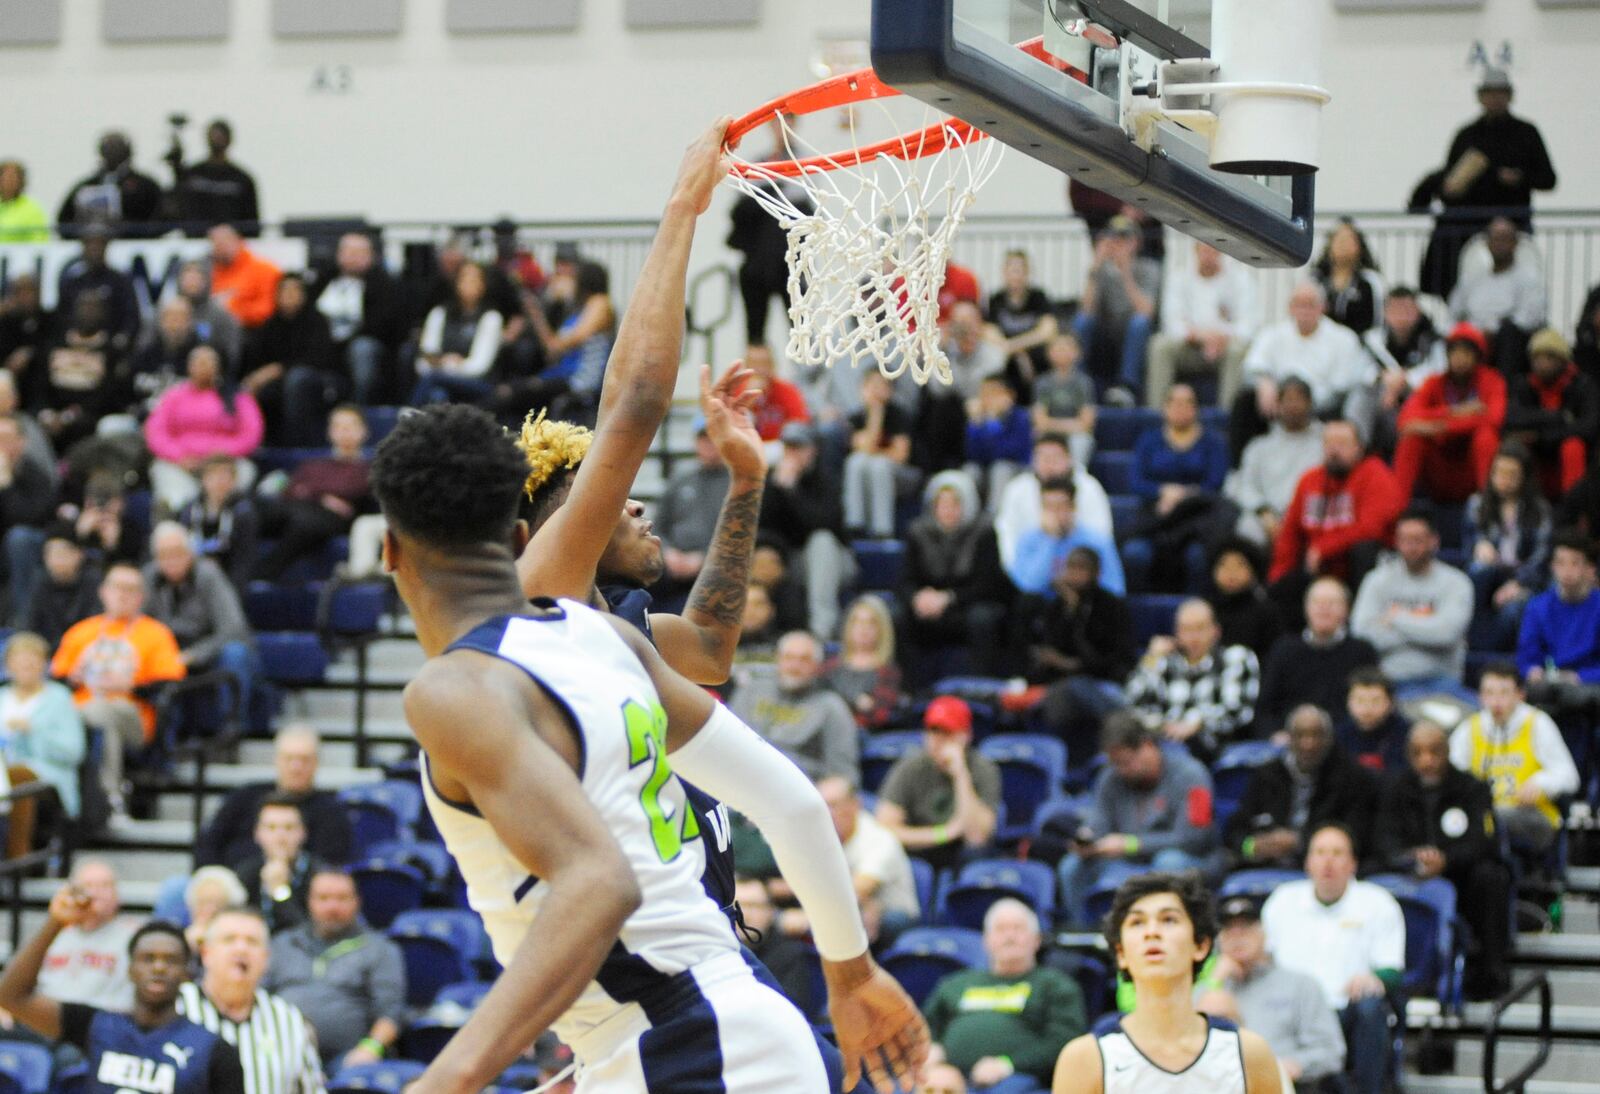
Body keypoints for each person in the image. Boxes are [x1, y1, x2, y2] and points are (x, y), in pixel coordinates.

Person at [369, 399, 926, 1093]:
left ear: (389, 550)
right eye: (607, 501)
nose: (631, 506)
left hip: (690, 1037)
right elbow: (792, 803)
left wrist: (446, 1081)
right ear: (524, 539)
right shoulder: (605, 641)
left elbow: (601, 882)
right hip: (702, 1024)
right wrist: (851, 970)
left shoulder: (489, 677)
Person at [1052, 872, 1283, 1094]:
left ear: (1201, 946)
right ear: (1121, 953)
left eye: (1169, 920)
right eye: (1137, 922)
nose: (1152, 932)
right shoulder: (1085, 1058)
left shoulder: (1249, 1053)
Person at [0, 894, 246, 1094]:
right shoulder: (96, 1025)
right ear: (129, 969)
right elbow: (11, 996)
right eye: (148, 958)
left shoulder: (215, 1051)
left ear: (187, 973)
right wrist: (55, 923)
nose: (158, 967)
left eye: (170, 960)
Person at [1373, 720, 1513, 999]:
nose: (1427, 761)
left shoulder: (1472, 788)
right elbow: (1382, 839)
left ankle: (1489, 973)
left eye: (1434, 752)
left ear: (1447, 751)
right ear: (1408, 755)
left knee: (1492, 876)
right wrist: (1409, 858)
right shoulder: (1393, 788)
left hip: (1459, 875)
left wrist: (1446, 860)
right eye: (1418, 753)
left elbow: (1485, 842)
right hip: (1407, 874)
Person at [1261, 824, 1404, 1094]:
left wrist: (1374, 978)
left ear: (1352, 864)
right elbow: (1264, 960)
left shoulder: (1378, 903)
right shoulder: (1282, 901)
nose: (1328, 861)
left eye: (1337, 853)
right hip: (1291, 1012)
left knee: (1371, 1006)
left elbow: (1393, 970)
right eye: (1320, 852)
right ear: (1307, 863)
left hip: (1345, 1011)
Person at [51, 564, 187, 817]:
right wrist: (74, 680)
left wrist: (131, 686)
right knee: (101, 723)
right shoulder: (81, 632)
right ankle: (108, 800)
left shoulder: (156, 634)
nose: (122, 595)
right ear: (103, 592)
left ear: (141, 597)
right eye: (116, 587)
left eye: (130, 589)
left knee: (102, 712)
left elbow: (170, 685)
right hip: (84, 710)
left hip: (134, 715)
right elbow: (57, 678)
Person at [1056, 715, 1218, 926]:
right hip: (1129, 860)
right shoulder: (1110, 777)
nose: (1122, 770)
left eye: (1127, 762)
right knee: (1072, 866)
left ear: (1147, 746)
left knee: (1170, 862)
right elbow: (1099, 822)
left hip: (1194, 859)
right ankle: (1082, 938)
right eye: (1116, 764)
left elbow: (1194, 838)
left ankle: (1170, 931)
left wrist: (1131, 844)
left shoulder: (1192, 775)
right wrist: (1088, 840)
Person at [923, 900, 1086, 1093]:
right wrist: (931, 1051)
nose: (1009, 936)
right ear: (986, 940)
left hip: (1019, 1080)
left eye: (1018, 929)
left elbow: (1065, 1042)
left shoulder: (1055, 985)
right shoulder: (955, 984)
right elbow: (924, 1027)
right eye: (1000, 929)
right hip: (949, 1078)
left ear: (1036, 940)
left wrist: (1008, 1064)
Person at [1198, 895, 1346, 1093]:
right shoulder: (1203, 991)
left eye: (1246, 928)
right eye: (1229, 930)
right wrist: (1215, 982)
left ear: (1264, 933)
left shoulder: (1300, 985)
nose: (1237, 937)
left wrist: (1293, 1065)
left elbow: (1331, 1052)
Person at [265, 868, 406, 1068]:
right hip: (281, 1054)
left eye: (342, 898)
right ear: (309, 901)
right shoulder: (282, 944)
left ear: (357, 902)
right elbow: (256, 998)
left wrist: (370, 1049)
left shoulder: (379, 949)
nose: (332, 906)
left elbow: (390, 1014)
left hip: (349, 1059)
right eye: (323, 898)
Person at [175, 907, 325, 1094]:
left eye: (252, 942)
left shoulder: (289, 1020)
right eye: (229, 939)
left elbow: (313, 1089)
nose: (241, 949)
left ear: (266, 958)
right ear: (206, 953)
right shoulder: (175, 1006)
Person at [1235, 283, 1375, 461]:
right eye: (1299, 305)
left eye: (1311, 304)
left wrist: (1302, 403)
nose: (1304, 311)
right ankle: (1238, 466)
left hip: (1323, 408)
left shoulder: (1343, 338)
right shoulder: (1272, 334)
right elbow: (1252, 367)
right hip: (1277, 405)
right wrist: (1264, 382)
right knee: (1245, 399)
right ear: (1290, 308)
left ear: (1323, 307)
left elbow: (1342, 387)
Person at [1226, 705, 1377, 870]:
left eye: (1316, 735)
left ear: (1329, 739)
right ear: (1289, 738)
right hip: (1267, 864)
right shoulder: (1266, 775)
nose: (1308, 744)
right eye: (1300, 735)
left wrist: (1300, 842)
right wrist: (1252, 846)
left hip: (1326, 868)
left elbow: (1356, 835)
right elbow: (1234, 831)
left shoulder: (1350, 778)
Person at [1451, 662, 1579, 858]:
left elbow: (1569, 777)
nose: (1496, 701)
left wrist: (1541, 783)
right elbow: (1450, 774)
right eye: (1489, 693)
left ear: (1520, 695)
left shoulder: (1537, 723)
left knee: (1494, 819)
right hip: (1482, 815)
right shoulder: (1469, 729)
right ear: (1480, 696)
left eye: (1504, 693)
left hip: (1531, 815)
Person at [1266, 420, 1404, 599]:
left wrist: (1324, 547)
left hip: (1358, 567)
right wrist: (1277, 579)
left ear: (1359, 448)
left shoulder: (1376, 474)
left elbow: (1371, 529)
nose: (1334, 450)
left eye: (1342, 444)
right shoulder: (1309, 480)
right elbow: (1291, 534)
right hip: (1318, 568)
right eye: (1329, 443)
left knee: (1364, 549)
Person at [1021, 546, 1137, 753]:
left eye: (1081, 569)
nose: (1074, 575)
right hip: (1058, 683)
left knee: (1073, 688)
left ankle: (1119, 739)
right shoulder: (1056, 606)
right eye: (1070, 568)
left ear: (1097, 573)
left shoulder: (1112, 606)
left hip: (1103, 682)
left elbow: (1118, 658)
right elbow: (1049, 648)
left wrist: (1079, 617)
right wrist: (1070, 613)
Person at [1351, 508, 1475, 701]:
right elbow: (1363, 635)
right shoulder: (1377, 580)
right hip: (1389, 685)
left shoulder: (1456, 582)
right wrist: (1427, 630)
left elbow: (1446, 634)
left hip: (1442, 683)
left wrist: (1395, 618)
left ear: (1434, 541)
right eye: (1404, 540)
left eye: (1417, 540)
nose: (1411, 547)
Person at [900, 471, 1011, 678]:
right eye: (942, 504)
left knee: (983, 618)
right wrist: (917, 597)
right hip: (930, 606)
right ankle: (909, 685)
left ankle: (982, 682)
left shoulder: (984, 532)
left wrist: (949, 598)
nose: (948, 511)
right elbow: (905, 580)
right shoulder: (917, 532)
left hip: (968, 603)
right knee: (899, 614)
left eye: (955, 504)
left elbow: (989, 584)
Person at [1122, 384, 1231, 594]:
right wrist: (1162, 492)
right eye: (1175, 402)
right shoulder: (1149, 440)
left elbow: (1215, 483)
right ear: (1165, 407)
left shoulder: (1213, 442)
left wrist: (1184, 496)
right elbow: (1136, 482)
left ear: (1196, 408)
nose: (1180, 408)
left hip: (1198, 518)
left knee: (1198, 556)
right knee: (1134, 553)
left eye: (1187, 403)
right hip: (1156, 518)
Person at [196, 724, 354, 867]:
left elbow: (330, 866)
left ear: (317, 763)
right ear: (277, 760)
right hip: (231, 888)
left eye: (304, 760)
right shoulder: (244, 797)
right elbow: (209, 844)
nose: (296, 767)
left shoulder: (331, 811)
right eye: (289, 758)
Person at [875, 696, 1002, 873]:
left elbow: (977, 837)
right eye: (933, 732)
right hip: (922, 846)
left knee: (974, 855)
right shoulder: (911, 767)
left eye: (947, 733)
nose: (938, 741)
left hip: (961, 851)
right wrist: (943, 834)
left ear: (965, 736)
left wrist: (960, 774)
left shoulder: (983, 769)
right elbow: (884, 830)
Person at [1125, 599, 1259, 762]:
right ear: (1177, 633)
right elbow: (1131, 702)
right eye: (1186, 629)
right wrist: (1151, 659)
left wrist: (1197, 723)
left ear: (1216, 631)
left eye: (1200, 628)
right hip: (1162, 739)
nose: (1194, 637)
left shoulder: (1235, 657)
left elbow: (1237, 710)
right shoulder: (1162, 661)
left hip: (1209, 744)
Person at [144, 521, 256, 714]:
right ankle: (162, 738)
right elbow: (138, 625)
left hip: (209, 651)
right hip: (168, 652)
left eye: (177, 552)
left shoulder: (209, 575)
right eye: (163, 554)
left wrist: (194, 655)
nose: (171, 560)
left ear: (190, 553)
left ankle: (231, 730)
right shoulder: (148, 578)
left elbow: (234, 629)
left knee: (235, 653)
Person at [251, 405, 371, 581]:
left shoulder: (368, 469)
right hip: (297, 509)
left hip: (329, 519)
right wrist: (323, 497)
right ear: (330, 431)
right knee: (252, 508)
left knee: (306, 523)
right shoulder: (314, 465)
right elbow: (291, 490)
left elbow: (352, 491)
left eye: (350, 426)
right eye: (338, 427)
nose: (344, 432)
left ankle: (264, 572)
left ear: (363, 431)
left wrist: (311, 492)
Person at [1393, 321, 1507, 505]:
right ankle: (1398, 508)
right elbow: (1406, 421)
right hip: (1439, 469)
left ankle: (1489, 507)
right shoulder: (1434, 383)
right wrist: (1455, 412)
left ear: (1477, 357)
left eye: (1466, 353)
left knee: (1486, 437)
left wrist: (1438, 426)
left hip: (1472, 469)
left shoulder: (1492, 381)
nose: (1460, 358)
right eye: (1455, 352)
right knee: (1411, 439)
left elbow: (1494, 419)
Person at [144, 344, 264, 514]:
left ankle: (225, 522)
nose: (204, 367)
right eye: (199, 362)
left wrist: (222, 454)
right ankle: (182, 521)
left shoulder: (236, 396)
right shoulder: (174, 396)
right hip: (181, 464)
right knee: (165, 477)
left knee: (246, 471)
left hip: (225, 463)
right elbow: (155, 432)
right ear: (189, 366)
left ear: (218, 367)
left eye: (208, 362)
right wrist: (179, 456)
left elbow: (252, 433)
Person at [730, 631, 860, 785]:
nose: (794, 666)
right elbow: (728, 743)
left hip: (798, 788)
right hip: (742, 780)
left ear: (817, 666)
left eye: (804, 660)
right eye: (789, 658)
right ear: (777, 659)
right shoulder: (751, 691)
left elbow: (843, 774)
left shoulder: (831, 707)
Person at [761, 421, 851, 638]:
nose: (793, 454)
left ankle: (822, 629)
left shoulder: (827, 479)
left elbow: (825, 523)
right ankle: (758, 633)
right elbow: (763, 525)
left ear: (813, 450)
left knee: (821, 542)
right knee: (762, 555)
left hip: (834, 560)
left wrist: (792, 492)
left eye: (799, 447)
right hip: (790, 558)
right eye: (789, 447)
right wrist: (775, 489)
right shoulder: (771, 480)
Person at [1257, 577, 1377, 732]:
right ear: (1306, 608)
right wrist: (1275, 734)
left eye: (1332, 603)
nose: (1324, 609)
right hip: (1291, 739)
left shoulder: (1362, 652)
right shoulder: (1284, 649)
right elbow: (1265, 709)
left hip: (1346, 738)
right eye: (1317, 603)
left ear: (1347, 609)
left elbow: (1371, 704)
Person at [1464, 442, 1552, 650]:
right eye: (1499, 472)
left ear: (1524, 477)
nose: (1504, 480)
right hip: (1490, 576)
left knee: (1513, 609)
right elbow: (1468, 547)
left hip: (1524, 578)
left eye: (1511, 474)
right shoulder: (1476, 504)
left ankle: (1492, 651)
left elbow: (1541, 558)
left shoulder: (1539, 510)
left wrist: (1519, 584)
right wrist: (1480, 545)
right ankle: (1474, 646)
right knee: (1479, 571)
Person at [1148, 242, 1258, 408]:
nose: (1209, 256)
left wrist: (1222, 337)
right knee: (1159, 346)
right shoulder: (1180, 278)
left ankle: (1226, 417)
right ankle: (1156, 414)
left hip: (1224, 349)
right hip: (1189, 347)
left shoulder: (1240, 279)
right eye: (1205, 250)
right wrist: (1200, 337)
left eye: (1214, 251)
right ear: (1196, 251)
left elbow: (1248, 326)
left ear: (1221, 254)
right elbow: (1171, 322)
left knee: (1237, 351)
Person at [243, 274, 341, 447]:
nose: (289, 295)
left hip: (317, 379)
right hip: (280, 381)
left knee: (297, 379)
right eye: (284, 290)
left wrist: (278, 369)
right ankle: (261, 444)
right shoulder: (270, 324)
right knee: (256, 388)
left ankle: (297, 445)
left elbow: (318, 358)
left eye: (294, 290)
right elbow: (255, 359)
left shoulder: (317, 321)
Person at [1072, 215, 1160, 405]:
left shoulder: (1149, 268)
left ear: (1136, 242)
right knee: (1082, 322)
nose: (1117, 245)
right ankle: (1075, 382)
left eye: (1123, 240)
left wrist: (1126, 271)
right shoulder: (1101, 270)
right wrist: (1096, 264)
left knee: (1139, 323)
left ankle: (1126, 387)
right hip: (1105, 334)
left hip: (1134, 334)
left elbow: (1147, 312)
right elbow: (1085, 310)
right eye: (1113, 239)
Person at [995, 433, 1113, 573]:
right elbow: (1007, 532)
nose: (1049, 464)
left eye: (1055, 458)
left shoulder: (1089, 487)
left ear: (1069, 459)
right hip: (1030, 569)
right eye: (1043, 458)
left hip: (1080, 570)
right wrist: (1016, 571)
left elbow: (1102, 533)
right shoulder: (1017, 489)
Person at [1227, 378, 1323, 549]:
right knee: (1248, 529)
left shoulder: (1324, 441)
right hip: (1266, 515)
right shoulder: (1259, 446)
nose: (1293, 406)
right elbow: (1245, 485)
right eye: (1288, 399)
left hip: (1311, 514)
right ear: (1278, 404)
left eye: (1299, 399)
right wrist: (1264, 512)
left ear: (1310, 403)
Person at [817, 776, 921, 932]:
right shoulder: (819, 837)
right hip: (854, 908)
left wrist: (805, 917)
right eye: (821, 806)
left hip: (892, 916)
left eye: (833, 805)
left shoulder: (880, 839)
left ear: (855, 805)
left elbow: (858, 890)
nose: (827, 813)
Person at [0, 631, 87, 818]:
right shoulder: (2, 697)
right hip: (2, 769)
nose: (26, 666)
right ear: (8, 665)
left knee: (19, 776)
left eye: (32, 661)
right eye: (20, 661)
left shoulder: (59, 698)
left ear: (44, 664)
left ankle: (18, 847)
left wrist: (33, 731)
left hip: (47, 776)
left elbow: (73, 752)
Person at [1504, 327, 1597, 497]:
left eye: (1549, 357)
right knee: (1515, 445)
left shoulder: (1582, 385)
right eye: (1537, 357)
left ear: (1563, 360)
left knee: (1573, 446)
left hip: (1567, 451)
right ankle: (1517, 507)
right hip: (1537, 451)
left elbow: (1589, 426)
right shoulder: (1523, 384)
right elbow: (1512, 417)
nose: (1542, 363)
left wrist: (1544, 435)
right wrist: (1557, 417)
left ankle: (1574, 507)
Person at [313, 232, 404, 406]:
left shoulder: (383, 284)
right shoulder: (324, 279)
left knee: (362, 349)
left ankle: (359, 411)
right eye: (348, 252)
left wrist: (346, 339)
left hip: (364, 345)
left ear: (371, 256)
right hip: (324, 346)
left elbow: (384, 326)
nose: (353, 258)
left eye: (359, 253)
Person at [36, 860, 140, 1010]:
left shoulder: (134, 937)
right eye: (88, 886)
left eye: (104, 886)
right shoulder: (52, 935)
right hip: (45, 1020)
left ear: (118, 896)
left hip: (105, 1023)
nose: (96, 893)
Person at [1448, 217, 1547, 375]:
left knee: (1509, 335)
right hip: (1474, 338)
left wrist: (1493, 331)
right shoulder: (1473, 279)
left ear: (1515, 243)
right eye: (1495, 239)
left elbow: (1529, 318)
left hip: (1507, 341)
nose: (1500, 244)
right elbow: (1455, 311)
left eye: (1505, 239)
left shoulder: (1528, 279)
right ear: (1487, 244)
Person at [1007, 476, 1124, 597]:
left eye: (1060, 506)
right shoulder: (1028, 540)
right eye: (1049, 506)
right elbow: (1028, 587)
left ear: (1073, 508)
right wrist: (1050, 540)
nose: (1054, 513)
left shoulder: (1096, 541)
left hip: (1085, 607)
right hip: (1044, 609)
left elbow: (1115, 588)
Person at [1517, 532, 1600, 694]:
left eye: (1575, 563)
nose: (1567, 571)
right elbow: (1526, 659)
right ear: (1552, 567)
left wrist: (1580, 676)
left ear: (1590, 569)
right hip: (1549, 682)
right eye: (1560, 563)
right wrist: (1533, 671)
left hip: (1590, 684)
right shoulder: (1537, 607)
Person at [412, 261, 505, 405]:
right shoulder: (439, 313)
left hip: (478, 383)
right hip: (439, 379)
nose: (468, 284)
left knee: (433, 380)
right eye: (464, 278)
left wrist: (444, 364)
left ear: (483, 285)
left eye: (474, 279)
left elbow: (480, 366)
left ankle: (409, 415)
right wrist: (450, 362)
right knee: (438, 394)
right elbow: (424, 361)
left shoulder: (491, 317)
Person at [1365, 286, 1447, 447]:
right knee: (1361, 395)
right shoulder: (1372, 339)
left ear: (1418, 311)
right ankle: (1358, 445)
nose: (1401, 315)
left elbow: (1440, 372)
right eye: (1395, 309)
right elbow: (1361, 372)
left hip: (1419, 398)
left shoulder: (1433, 340)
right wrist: (1384, 378)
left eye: (1406, 309)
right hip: (1383, 397)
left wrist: (1404, 380)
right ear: (1386, 313)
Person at [846, 369, 921, 538]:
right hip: (870, 470)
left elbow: (901, 456)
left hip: (904, 475)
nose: (876, 390)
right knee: (855, 462)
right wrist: (875, 416)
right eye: (871, 385)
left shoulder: (899, 415)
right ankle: (855, 524)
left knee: (878, 465)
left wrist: (875, 452)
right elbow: (862, 449)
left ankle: (882, 530)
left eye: (881, 385)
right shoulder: (856, 417)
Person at [235, 797, 323, 933]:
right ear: (257, 833)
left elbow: (311, 937)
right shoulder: (244, 874)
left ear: (303, 833)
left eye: (289, 828)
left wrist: (280, 891)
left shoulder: (321, 876)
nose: (280, 837)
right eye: (271, 828)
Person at [174, 455, 259, 589]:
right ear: (203, 479)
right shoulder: (190, 510)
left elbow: (244, 560)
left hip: (227, 579)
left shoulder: (243, 513)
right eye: (214, 475)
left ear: (234, 481)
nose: (220, 482)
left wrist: (232, 593)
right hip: (192, 581)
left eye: (225, 476)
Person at [56, 131, 163, 236]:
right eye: (108, 148)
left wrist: (128, 228)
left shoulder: (145, 186)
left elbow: (160, 220)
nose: (111, 152)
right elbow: (63, 223)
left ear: (127, 152)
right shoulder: (86, 186)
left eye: (116, 147)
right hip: (92, 249)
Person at [823, 596, 905, 730]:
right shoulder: (829, 666)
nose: (863, 629)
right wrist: (856, 702)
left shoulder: (889, 672)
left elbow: (878, 716)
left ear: (882, 629)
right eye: (857, 622)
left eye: (871, 623)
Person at [988, 250, 1058, 394]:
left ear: (1027, 273)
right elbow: (988, 332)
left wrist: (1016, 347)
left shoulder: (1039, 297)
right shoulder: (996, 300)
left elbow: (1048, 331)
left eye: (1020, 271)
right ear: (1004, 273)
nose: (1016, 276)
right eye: (1012, 271)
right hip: (1007, 359)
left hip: (1034, 358)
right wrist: (1015, 352)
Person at [172, 119, 260, 230]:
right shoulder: (192, 174)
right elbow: (178, 205)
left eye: (220, 136)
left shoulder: (242, 179)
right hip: (195, 242)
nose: (216, 139)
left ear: (229, 140)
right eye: (213, 135)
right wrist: (176, 169)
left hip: (231, 243)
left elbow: (251, 221)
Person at [1030, 334, 1097, 470]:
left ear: (1077, 353)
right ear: (1049, 353)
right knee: (1037, 438)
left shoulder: (1084, 383)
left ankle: (1075, 479)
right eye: (1058, 348)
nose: (1062, 352)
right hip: (1051, 434)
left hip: (1074, 435)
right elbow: (1039, 421)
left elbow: (1086, 423)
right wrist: (1071, 425)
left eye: (1066, 348)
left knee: (1081, 440)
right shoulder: (1042, 383)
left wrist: (1051, 424)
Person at [1206, 539, 1280, 662]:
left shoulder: (1266, 612)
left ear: (1253, 570)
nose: (1231, 573)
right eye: (1223, 565)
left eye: (1240, 565)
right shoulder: (1205, 610)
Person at [964, 374, 1032, 506]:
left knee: (1000, 469)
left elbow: (1011, 452)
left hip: (1015, 468)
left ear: (1010, 396)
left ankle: (994, 516)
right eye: (985, 394)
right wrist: (975, 424)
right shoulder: (978, 420)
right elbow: (971, 453)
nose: (989, 399)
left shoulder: (1021, 417)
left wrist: (993, 424)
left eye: (994, 393)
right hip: (986, 467)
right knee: (970, 469)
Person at [1311, 220, 1386, 336]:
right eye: (1338, 239)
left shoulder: (1371, 281)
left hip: (1360, 347)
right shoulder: (1316, 280)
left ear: (1359, 246)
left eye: (1348, 240)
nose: (1343, 245)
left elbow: (1378, 321)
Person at [1334, 668, 1411, 778]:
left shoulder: (1407, 735)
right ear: (1348, 702)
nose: (1367, 709)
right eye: (1360, 701)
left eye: (1376, 701)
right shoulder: (1338, 735)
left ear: (1391, 703)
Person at [207, 224, 282, 331]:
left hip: (256, 332)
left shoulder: (265, 270)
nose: (219, 249)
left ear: (238, 241)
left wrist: (232, 310)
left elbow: (269, 309)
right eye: (215, 244)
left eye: (223, 243)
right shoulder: (209, 272)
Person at [742, 343, 811, 443]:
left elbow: (800, 423)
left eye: (764, 363)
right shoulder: (737, 390)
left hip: (780, 447)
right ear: (745, 366)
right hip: (746, 447)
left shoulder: (787, 390)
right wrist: (749, 401)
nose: (759, 369)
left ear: (773, 365)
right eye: (754, 364)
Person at [183, 866, 248, 955]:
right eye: (202, 902)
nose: (209, 910)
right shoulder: (181, 941)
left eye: (217, 904)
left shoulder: (241, 943)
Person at [0, 159, 49, 242]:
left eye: (12, 178)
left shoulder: (32, 209)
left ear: (21, 181)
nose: (8, 182)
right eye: (4, 177)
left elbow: (39, 239)